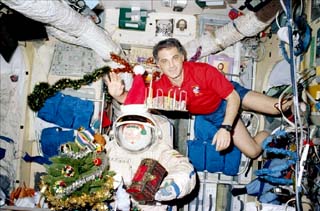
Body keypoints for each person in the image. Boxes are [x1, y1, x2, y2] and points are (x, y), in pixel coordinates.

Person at [104, 38, 292, 159]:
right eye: (164, 61)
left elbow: (232, 97)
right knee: (253, 152)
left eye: (175, 58)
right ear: (158, 65)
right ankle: (270, 133)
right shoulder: (159, 87)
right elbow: (134, 101)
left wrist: (226, 128)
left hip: (230, 96)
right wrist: (118, 94)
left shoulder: (203, 72)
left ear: (183, 57)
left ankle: (298, 99)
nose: (171, 66)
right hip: (215, 113)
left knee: (278, 107)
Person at [106, 104, 196, 211]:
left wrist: (171, 186)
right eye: (128, 131)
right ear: (118, 131)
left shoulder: (160, 151)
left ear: (149, 131)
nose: (131, 136)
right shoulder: (111, 149)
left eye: (137, 131)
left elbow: (184, 168)